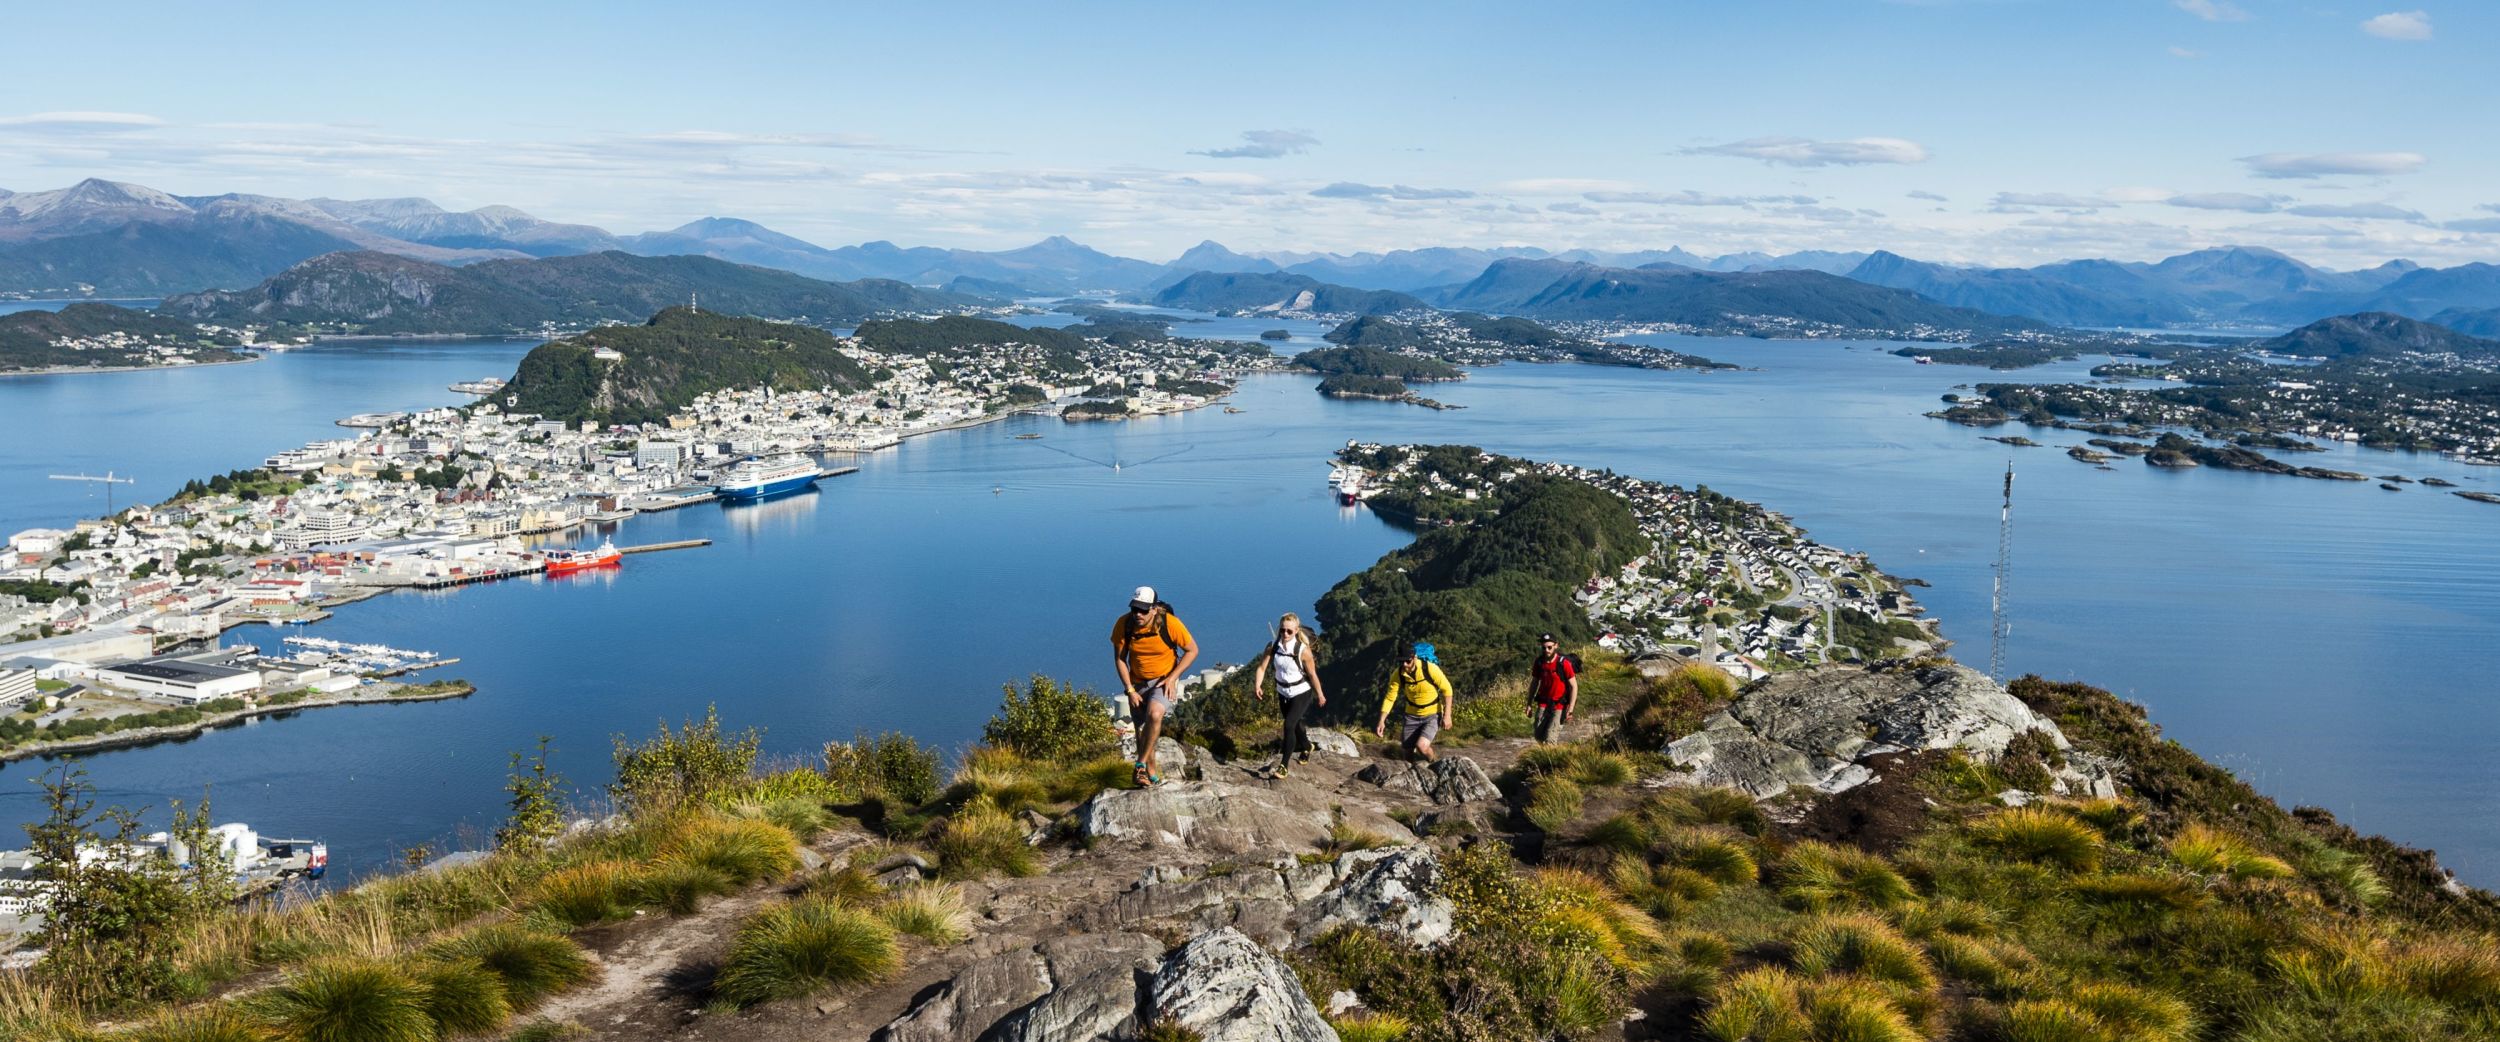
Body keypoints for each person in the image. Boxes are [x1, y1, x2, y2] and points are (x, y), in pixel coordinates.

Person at [1112, 585, 1195, 786]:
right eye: (1135, 609)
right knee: (1143, 731)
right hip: (1137, 684)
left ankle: (1139, 766)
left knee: (1155, 715)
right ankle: (1150, 772)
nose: (1138, 614)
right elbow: (1120, 659)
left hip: (1161, 681)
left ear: (1154, 608)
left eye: (1143, 609)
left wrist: (1173, 678)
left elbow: (1192, 650)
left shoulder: (1170, 624)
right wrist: (1130, 690)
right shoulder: (1124, 624)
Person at [1252, 612, 1326, 778]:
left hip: (1301, 692)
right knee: (1296, 724)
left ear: (1296, 631)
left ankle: (1283, 766)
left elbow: (1312, 675)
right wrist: (1257, 685)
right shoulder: (1273, 646)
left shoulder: (1303, 651)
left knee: (1288, 725)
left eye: (1289, 631)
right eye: (1282, 630)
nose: (1285, 634)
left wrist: (1320, 694)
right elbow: (1262, 667)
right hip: (1282, 692)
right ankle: (1307, 746)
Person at [1374, 641, 1453, 762]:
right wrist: (1381, 721)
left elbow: (1447, 690)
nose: (1405, 665)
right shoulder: (1398, 674)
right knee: (1407, 751)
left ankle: (1434, 763)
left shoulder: (1430, 669)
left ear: (1414, 657)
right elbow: (1390, 698)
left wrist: (1447, 716)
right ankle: (1412, 772)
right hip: (1411, 715)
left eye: (1408, 661)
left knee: (1422, 746)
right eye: (1401, 662)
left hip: (1432, 714)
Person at [1530, 633, 1578, 743]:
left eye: (1549, 647)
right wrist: (1529, 704)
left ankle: (1549, 759)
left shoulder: (1563, 664)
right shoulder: (1539, 663)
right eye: (1544, 647)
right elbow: (1534, 683)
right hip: (1543, 704)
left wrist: (1570, 709)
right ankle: (1542, 758)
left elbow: (1574, 686)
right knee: (1538, 736)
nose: (1546, 650)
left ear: (1556, 646)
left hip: (1559, 706)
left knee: (1550, 740)